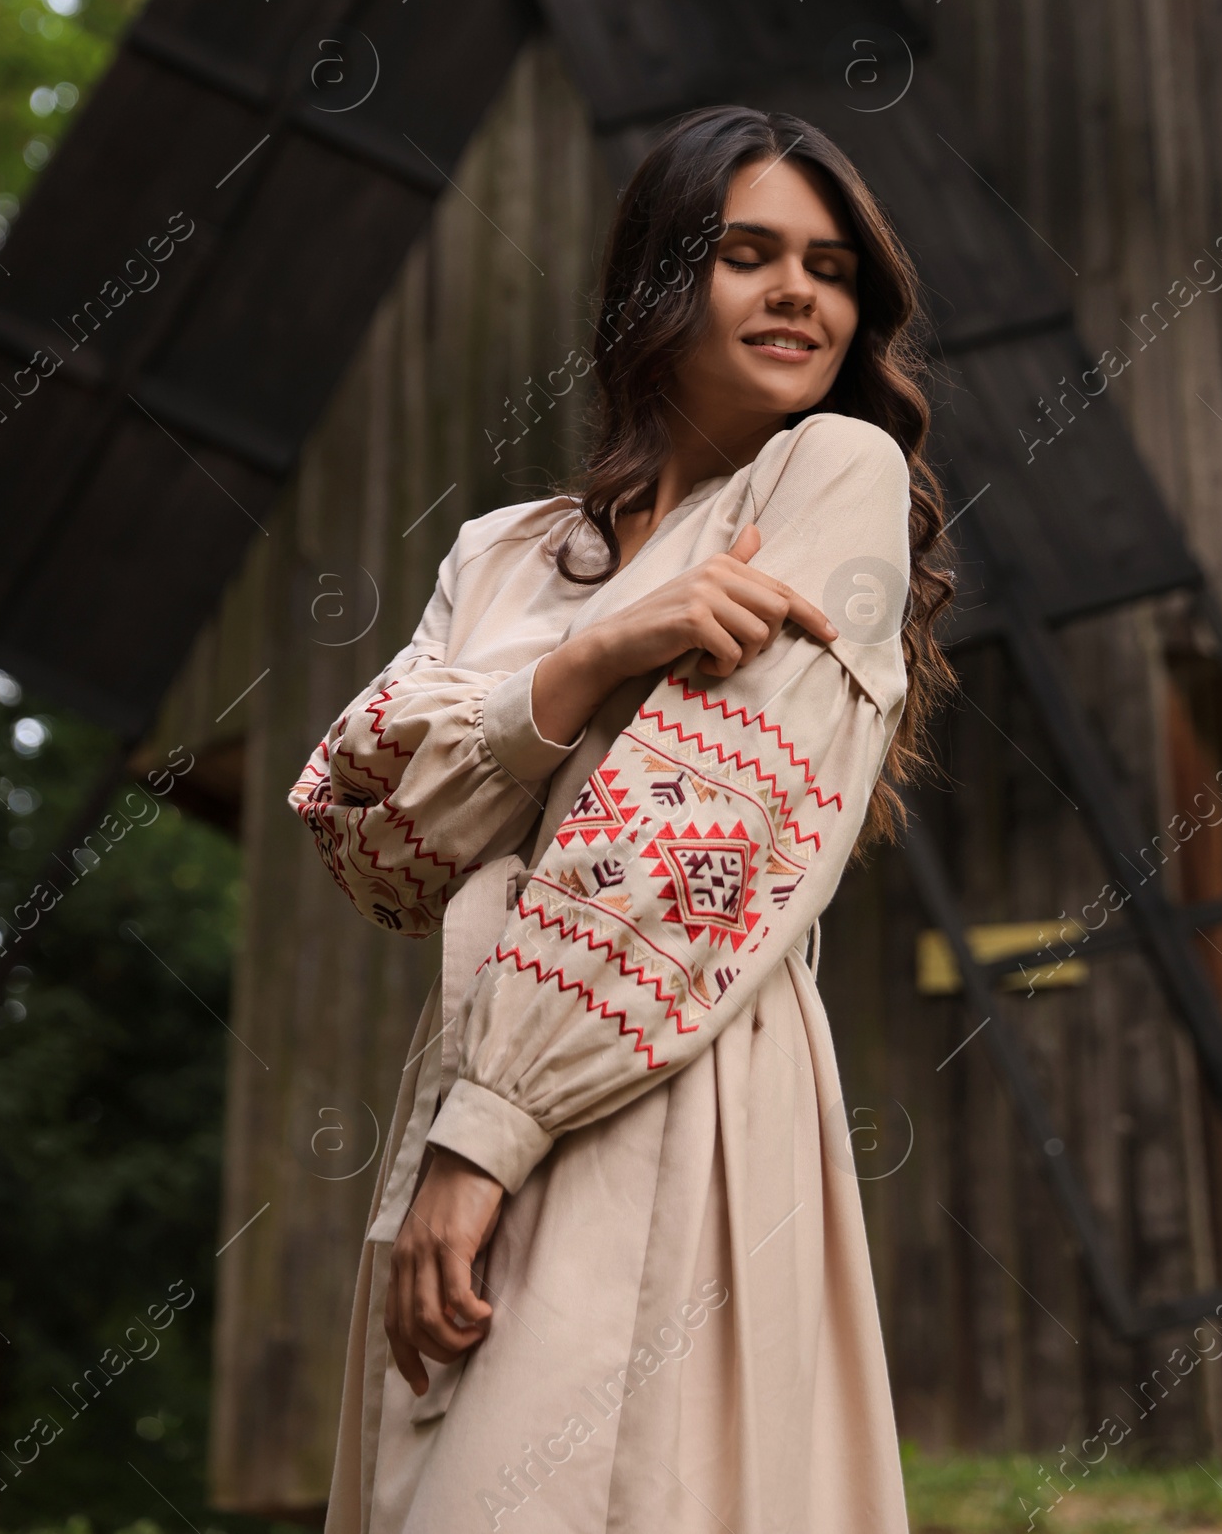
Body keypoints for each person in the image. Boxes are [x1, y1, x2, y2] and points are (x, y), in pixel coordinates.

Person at [290, 104, 954, 1534]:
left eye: (831, 268)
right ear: (658, 282)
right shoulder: (510, 555)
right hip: (475, 1074)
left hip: (678, 1067)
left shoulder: (837, 481)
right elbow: (369, 838)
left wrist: (484, 1142)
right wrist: (591, 657)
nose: (798, 294)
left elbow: (693, 842)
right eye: (747, 253)